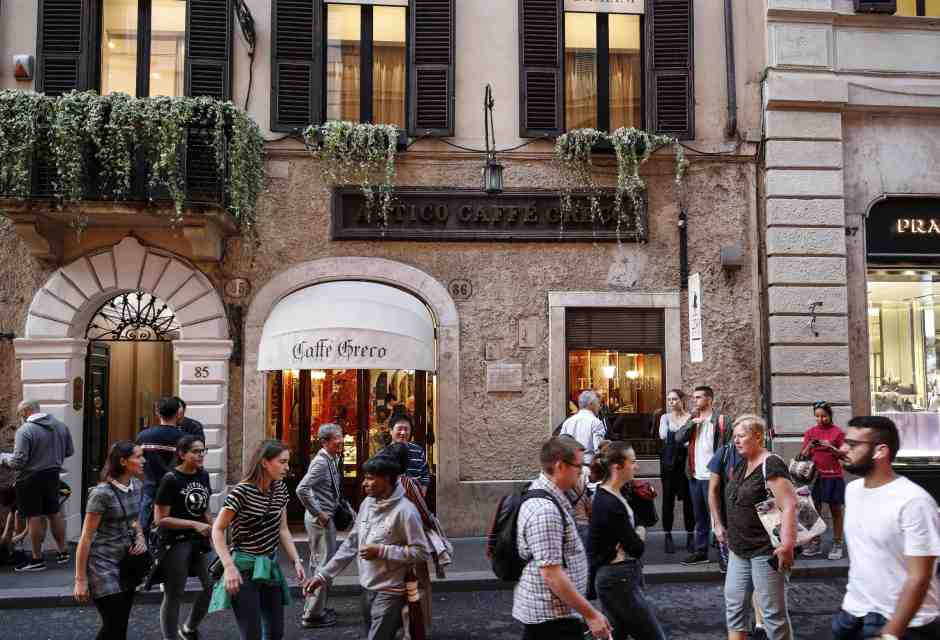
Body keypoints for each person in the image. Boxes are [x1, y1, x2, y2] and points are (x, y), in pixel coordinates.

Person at [832, 415, 940, 639]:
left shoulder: (914, 501)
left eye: (852, 444)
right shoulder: (852, 490)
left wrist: (891, 634)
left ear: (880, 451)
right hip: (851, 614)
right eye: (844, 441)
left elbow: (920, 577)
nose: (842, 449)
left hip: (904, 622)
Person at [303, 450, 429, 640]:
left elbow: (420, 552)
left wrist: (382, 550)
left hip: (391, 591)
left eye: (370, 478)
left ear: (386, 479)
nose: (364, 483)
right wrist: (323, 575)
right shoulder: (367, 504)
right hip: (367, 588)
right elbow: (351, 544)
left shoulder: (406, 511)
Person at [513, 436, 611, 640]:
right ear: (560, 466)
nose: (582, 471)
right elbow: (551, 574)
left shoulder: (552, 497)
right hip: (551, 618)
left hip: (556, 613)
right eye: (579, 466)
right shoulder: (545, 511)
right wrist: (591, 615)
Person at [209, 440, 306, 640]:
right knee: (251, 634)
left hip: (269, 565)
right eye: (282, 462)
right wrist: (228, 567)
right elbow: (217, 529)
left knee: (275, 633)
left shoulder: (279, 489)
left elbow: (283, 530)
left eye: (288, 462)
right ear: (264, 463)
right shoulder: (241, 492)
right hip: (244, 567)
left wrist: (296, 560)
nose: (287, 468)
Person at [714, 415, 796, 640]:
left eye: (741, 436)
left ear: (758, 437)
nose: (736, 441)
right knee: (735, 608)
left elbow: (790, 504)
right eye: (735, 437)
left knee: (772, 616)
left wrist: (787, 545)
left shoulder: (771, 463)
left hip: (764, 550)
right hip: (739, 549)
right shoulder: (742, 464)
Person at [589, 440, 666, 640]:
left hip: (620, 576)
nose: (636, 465)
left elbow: (640, 524)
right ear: (617, 467)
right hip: (617, 580)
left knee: (616, 635)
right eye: (632, 461)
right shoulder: (609, 502)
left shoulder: (617, 494)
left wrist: (636, 531)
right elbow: (636, 547)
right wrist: (638, 532)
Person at [73, 441, 148, 640]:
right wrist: (80, 580)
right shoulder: (101, 494)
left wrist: (140, 538)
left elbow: (135, 521)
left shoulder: (138, 486)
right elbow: (86, 537)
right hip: (102, 564)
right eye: (138, 456)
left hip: (127, 563)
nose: (144, 460)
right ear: (123, 461)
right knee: (113, 622)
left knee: (121, 624)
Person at [0, 399, 74, 572]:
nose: (20, 417)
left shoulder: (25, 430)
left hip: (29, 478)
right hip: (53, 475)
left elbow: (18, 461)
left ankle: (37, 559)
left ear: (26, 411)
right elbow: (69, 451)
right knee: (54, 513)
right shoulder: (61, 426)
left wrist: (4, 458)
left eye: (20, 413)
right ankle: (63, 553)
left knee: (33, 516)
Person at [153, 435, 213, 640]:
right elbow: (160, 519)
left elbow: (204, 508)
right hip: (175, 542)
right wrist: (194, 524)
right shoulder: (171, 479)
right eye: (195, 451)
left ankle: (189, 628)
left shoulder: (203, 475)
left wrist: (214, 531)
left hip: (200, 542)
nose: (200, 455)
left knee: (211, 584)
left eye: (202, 451)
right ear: (181, 454)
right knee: (174, 594)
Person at [296, 423, 345, 629]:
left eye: (341, 435)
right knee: (322, 564)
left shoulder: (332, 459)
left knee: (322, 562)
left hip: (325, 519)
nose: (341, 440)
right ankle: (313, 614)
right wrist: (320, 513)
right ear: (325, 441)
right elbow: (302, 489)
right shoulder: (320, 462)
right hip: (320, 521)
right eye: (337, 437)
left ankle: (316, 606)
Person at [677, 385, 732, 565]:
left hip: (714, 476)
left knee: (719, 516)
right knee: (699, 516)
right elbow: (678, 438)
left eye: (699, 397)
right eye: (694, 397)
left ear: (709, 399)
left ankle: (725, 555)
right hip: (695, 475)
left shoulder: (722, 421)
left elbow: (729, 447)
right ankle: (701, 552)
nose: (695, 401)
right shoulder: (692, 419)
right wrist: (692, 424)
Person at [798, 401, 846, 560]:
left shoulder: (838, 433)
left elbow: (845, 456)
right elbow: (803, 456)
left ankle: (837, 543)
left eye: (824, 416)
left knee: (835, 511)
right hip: (816, 477)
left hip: (833, 476)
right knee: (813, 511)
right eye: (817, 416)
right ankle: (815, 542)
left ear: (830, 415)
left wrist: (831, 447)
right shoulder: (810, 432)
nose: (820, 419)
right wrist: (809, 446)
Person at [137, 397, 185, 534]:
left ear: (157, 413)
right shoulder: (185, 439)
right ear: (178, 413)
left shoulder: (144, 437)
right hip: (176, 493)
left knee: (143, 532)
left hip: (150, 490)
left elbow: (137, 461)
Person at [659, 389, 695, 554]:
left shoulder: (691, 418)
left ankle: (690, 536)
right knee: (668, 499)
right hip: (669, 462)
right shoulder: (664, 418)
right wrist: (682, 436)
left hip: (686, 462)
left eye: (674, 399)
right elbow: (663, 436)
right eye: (669, 400)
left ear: (682, 400)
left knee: (689, 500)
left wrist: (679, 436)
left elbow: (692, 439)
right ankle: (668, 536)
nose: (671, 402)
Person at [558, 390, 606, 465]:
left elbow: (561, 445)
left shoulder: (568, 422)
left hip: (571, 465)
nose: (599, 407)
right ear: (591, 404)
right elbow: (598, 449)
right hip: (589, 465)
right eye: (598, 403)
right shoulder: (596, 422)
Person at [388, 414, 431, 497]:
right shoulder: (384, 454)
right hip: (393, 501)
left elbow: (425, 474)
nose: (403, 433)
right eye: (399, 429)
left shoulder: (418, 451)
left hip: (415, 499)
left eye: (406, 429)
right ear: (391, 431)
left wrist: (422, 493)